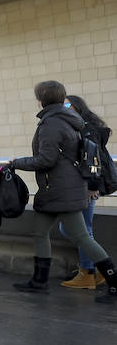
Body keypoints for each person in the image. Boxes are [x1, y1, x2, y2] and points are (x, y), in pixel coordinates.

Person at [9, 81, 117, 304]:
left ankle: (114, 281)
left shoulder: (51, 124)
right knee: (40, 232)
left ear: (41, 99)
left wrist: (16, 162)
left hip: (60, 189)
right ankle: (39, 281)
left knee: (81, 237)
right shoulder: (67, 120)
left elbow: (46, 159)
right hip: (58, 188)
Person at [59, 95, 109, 289]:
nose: (64, 108)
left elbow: (93, 160)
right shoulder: (79, 126)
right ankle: (97, 271)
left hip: (86, 186)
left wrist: (92, 186)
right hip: (82, 185)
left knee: (81, 230)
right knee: (81, 230)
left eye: (67, 105)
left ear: (77, 107)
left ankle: (88, 273)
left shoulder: (86, 128)